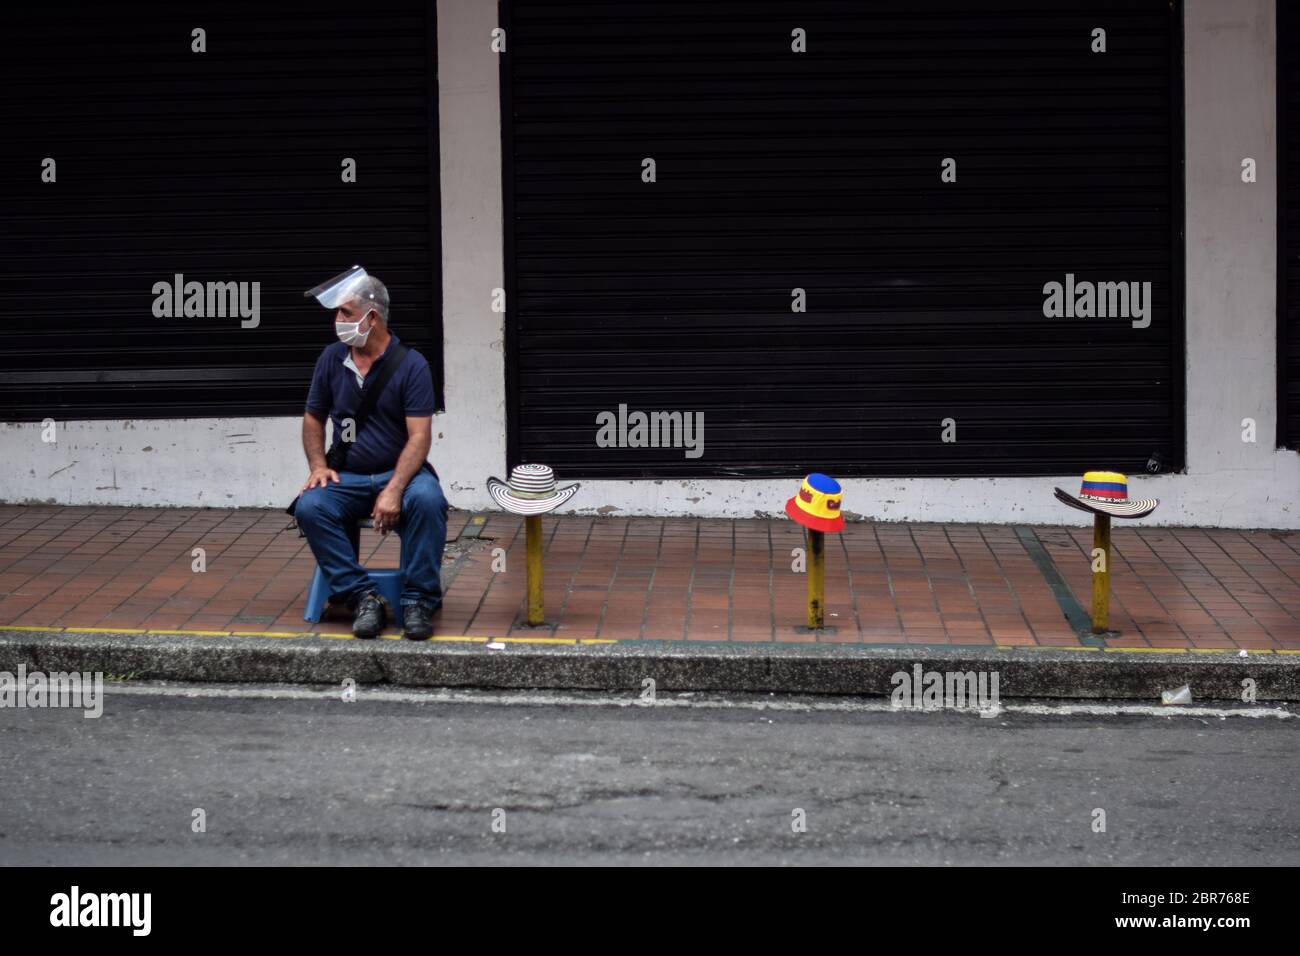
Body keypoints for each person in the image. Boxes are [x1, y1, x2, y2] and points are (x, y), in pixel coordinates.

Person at [292, 267, 448, 639]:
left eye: (345, 313)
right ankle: (363, 596)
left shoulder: (412, 365)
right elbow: (313, 418)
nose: (338, 321)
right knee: (310, 506)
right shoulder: (331, 359)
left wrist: (394, 488)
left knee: (428, 500)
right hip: (348, 475)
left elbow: (419, 437)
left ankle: (417, 601)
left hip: (401, 475)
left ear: (371, 317)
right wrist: (317, 466)